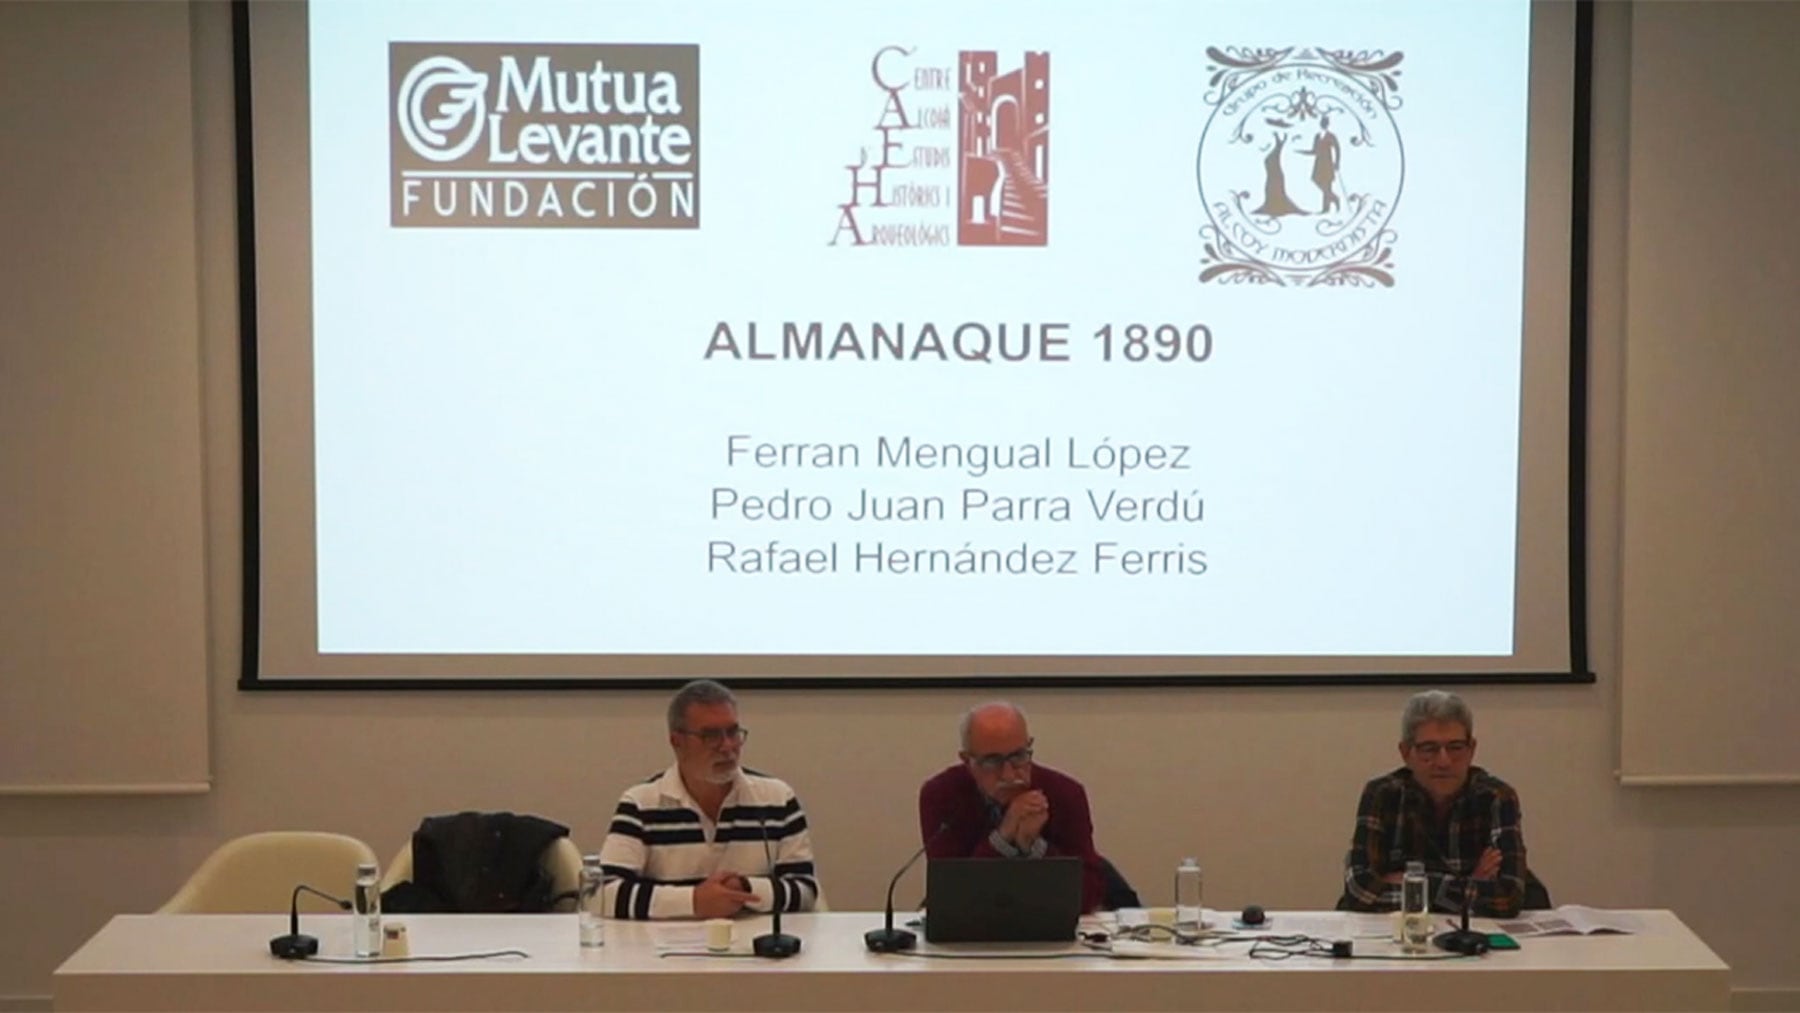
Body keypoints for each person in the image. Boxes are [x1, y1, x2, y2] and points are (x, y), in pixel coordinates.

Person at [598, 679, 823, 919]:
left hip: (757, 949)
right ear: (677, 742)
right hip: (666, 950)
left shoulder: (778, 799)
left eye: (733, 732)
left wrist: (744, 888)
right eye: (711, 735)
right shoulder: (641, 804)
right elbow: (602, 894)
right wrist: (694, 901)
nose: (727, 746)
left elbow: (806, 891)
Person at [1339, 690, 1528, 918]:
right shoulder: (1382, 794)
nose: (1443, 761)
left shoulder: (1497, 797)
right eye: (1429, 749)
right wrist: (1469, 884)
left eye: (1455, 747)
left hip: (1474, 939)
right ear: (1406, 753)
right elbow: (1360, 891)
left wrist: (1411, 883)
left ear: (1472, 750)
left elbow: (1508, 897)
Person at [918, 702, 1105, 913]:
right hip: (971, 933)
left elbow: (1089, 894)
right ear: (967, 760)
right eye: (992, 761)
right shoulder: (941, 795)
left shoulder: (1065, 793)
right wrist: (1003, 837)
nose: (1008, 774)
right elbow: (953, 895)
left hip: (1050, 929)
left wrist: (1033, 846)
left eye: (1018, 757)